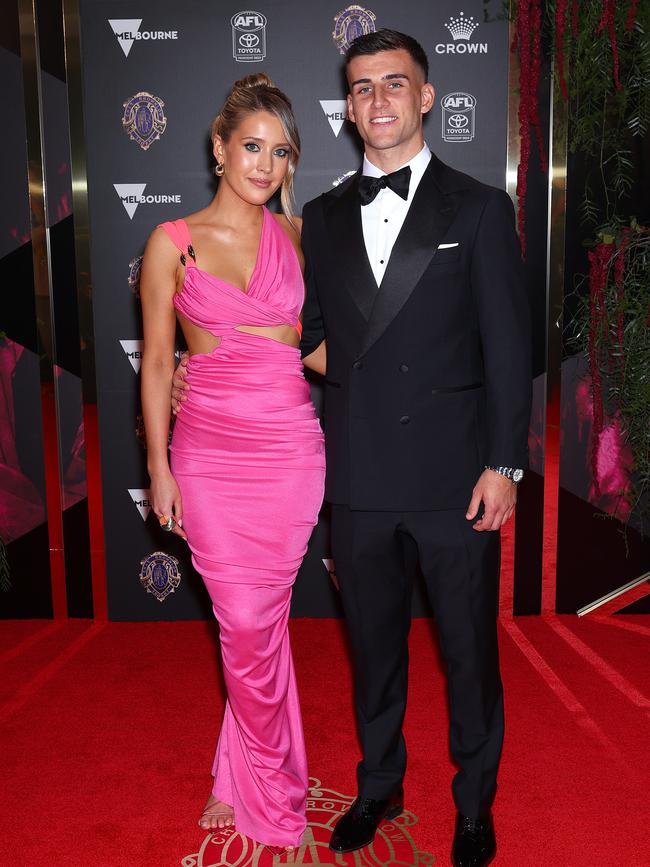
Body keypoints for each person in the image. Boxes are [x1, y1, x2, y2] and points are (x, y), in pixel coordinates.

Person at [173, 30, 531, 867]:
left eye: (394, 84)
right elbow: (301, 335)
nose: (378, 101)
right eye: (362, 87)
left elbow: (509, 348)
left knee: (469, 656)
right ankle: (379, 788)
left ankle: (474, 803)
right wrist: (201, 369)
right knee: (373, 653)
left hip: (456, 479)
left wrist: (505, 463)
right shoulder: (319, 221)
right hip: (358, 476)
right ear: (348, 105)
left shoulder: (479, 208)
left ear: (427, 96)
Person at [140, 74, 325, 855]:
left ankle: (236, 771)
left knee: (264, 622)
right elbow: (155, 363)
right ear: (219, 149)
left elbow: (314, 349)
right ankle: (272, 786)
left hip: (290, 451)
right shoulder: (171, 242)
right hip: (210, 455)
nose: (265, 164)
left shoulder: (297, 237)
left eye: (280, 152)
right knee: (243, 621)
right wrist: (159, 467)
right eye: (252, 146)